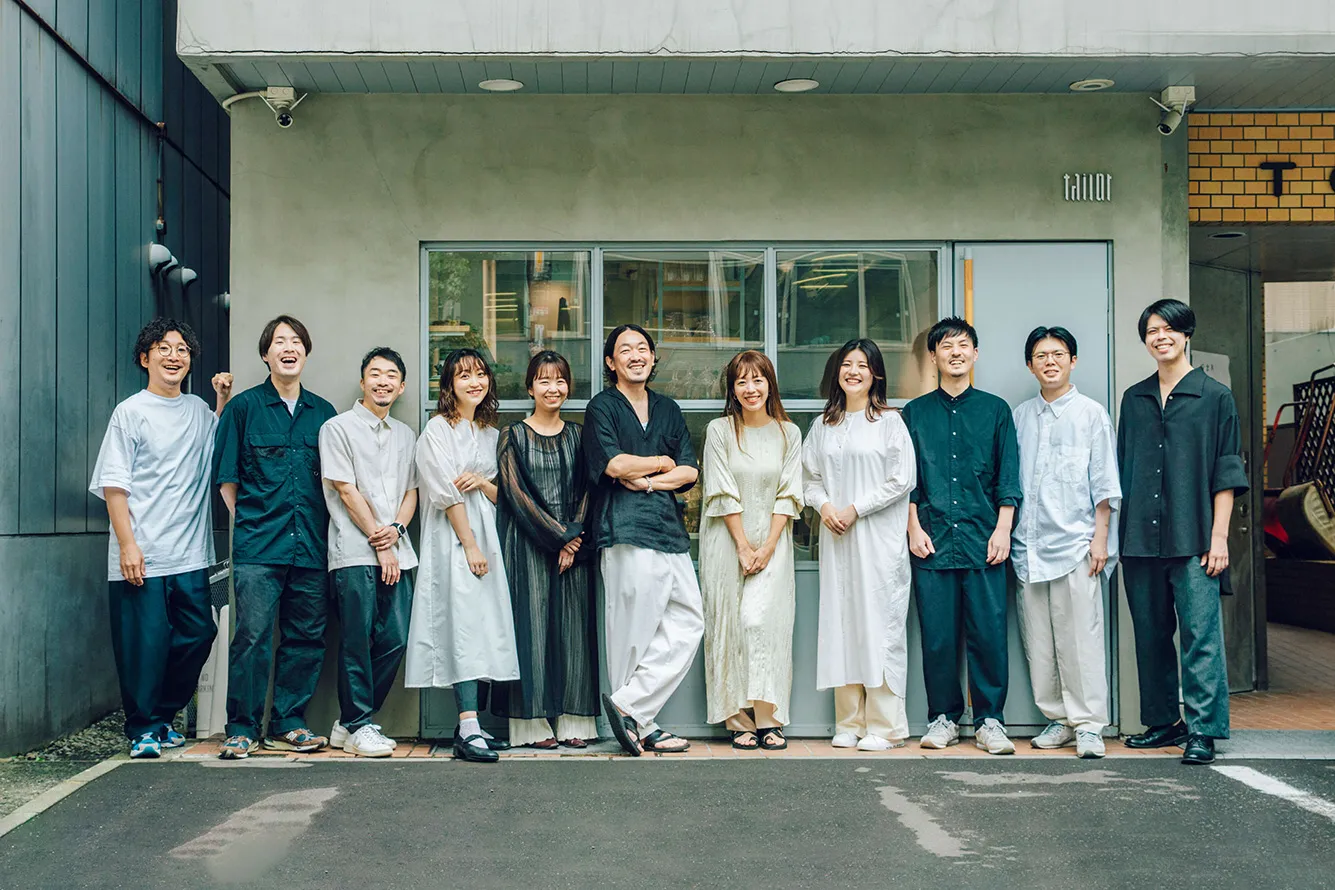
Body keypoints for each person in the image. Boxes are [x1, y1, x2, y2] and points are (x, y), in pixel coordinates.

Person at [89, 318, 232, 758]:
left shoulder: (198, 411)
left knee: (199, 634)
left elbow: (217, 447)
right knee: (143, 647)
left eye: (182, 349)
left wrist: (222, 399)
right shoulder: (131, 412)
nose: (174, 356)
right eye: (164, 348)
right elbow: (114, 485)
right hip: (142, 554)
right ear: (144, 358)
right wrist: (127, 545)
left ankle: (163, 715)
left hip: (190, 554)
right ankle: (143, 729)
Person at [1118, 299, 1248, 765]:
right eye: (1152, 330)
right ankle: (1162, 723)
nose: (1161, 337)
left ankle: (1203, 730)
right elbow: (1122, 467)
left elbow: (1226, 474)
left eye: (1169, 329)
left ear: (1186, 334)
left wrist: (1219, 538)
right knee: (1151, 635)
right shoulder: (1134, 399)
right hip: (1140, 539)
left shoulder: (1215, 397)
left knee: (1200, 636)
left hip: (1194, 537)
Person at [213, 315, 337, 760]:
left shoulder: (323, 413)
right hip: (259, 549)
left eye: (296, 341)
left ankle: (289, 722)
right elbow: (228, 482)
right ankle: (242, 728)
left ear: (306, 352)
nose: (289, 347)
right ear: (266, 354)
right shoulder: (243, 409)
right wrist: (255, 522)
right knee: (252, 637)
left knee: (307, 637)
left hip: (311, 546)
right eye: (279, 341)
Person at [903, 316, 1022, 755]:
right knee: (938, 637)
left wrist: (1003, 529)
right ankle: (944, 718)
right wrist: (913, 526)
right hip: (931, 541)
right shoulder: (915, 414)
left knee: (988, 634)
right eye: (946, 346)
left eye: (963, 345)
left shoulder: (996, 411)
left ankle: (990, 720)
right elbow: (907, 480)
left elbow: (1008, 475)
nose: (955, 353)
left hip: (984, 540)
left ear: (975, 354)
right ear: (933, 356)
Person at [583, 323, 703, 756]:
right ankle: (640, 725)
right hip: (625, 529)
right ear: (611, 362)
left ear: (653, 358)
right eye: (625, 350)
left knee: (690, 621)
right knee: (632, 633)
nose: (635, 356)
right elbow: (614, 465)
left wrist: (650, 480)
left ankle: (629, 708)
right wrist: (660, 462)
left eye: (642, 349)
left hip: (669, 530)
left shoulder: (667, 408)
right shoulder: (603, 407)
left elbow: (689, 471)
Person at [1012, 326, 1121, 760]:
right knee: (1039, 640)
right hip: (1028, 547)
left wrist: (1101, 540)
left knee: (1082, 639)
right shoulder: (1020, 417)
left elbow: (1105, 484)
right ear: (1030, 365)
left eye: (1058, 354)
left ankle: (1089, 724)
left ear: (1073, 361)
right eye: (1041, 356)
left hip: (1076, 546)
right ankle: (1058, 719)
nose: (1050, 362)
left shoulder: (1091, 415)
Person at [802, 339, 917, 751]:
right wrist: (825, 506)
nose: (853, 371)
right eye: (847, 364)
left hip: (878, 541)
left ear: (875, 374)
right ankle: (849, 721)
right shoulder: (824, 425)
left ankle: (885, 726)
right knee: (842, 623)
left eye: (863, 365)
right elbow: (809, 478)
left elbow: (902, 479)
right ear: (837, 372)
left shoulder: (890, 422)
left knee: (880, 626)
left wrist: (855, 508)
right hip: (837, 540)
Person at [407, 348, 520, 763]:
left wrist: (483, 484)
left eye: (480, 374)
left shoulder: (490, 433)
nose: (475, 382)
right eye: (464, 376)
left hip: (488, 536)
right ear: (449, 385)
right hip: (455, 538)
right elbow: (444, 492)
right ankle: (468, 726)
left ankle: (472, 727)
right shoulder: (437, 430)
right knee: (464, 627)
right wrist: (469, 544)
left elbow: (504, 495)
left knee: (486, 626)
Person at [492, 351, 600, 749]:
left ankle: (574, 723)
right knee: (532, 631)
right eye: (544, 380)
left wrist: (573, 537)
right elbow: (514, 494)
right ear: (530, 388)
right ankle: (533, 726)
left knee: (574, 632)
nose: (553, 388)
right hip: (527, 543)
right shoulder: (512, 435)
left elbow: (589, 489)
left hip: (574, 547)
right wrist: (558, 536)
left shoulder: (579, 435)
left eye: (560, 380)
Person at [700, 351, 803, 751]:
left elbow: (789, 492)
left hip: (774, 543)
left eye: (757, 379)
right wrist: (743, 546)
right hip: (726, 543)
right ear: (732, 389)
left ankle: (769, 718)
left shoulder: (789, 433)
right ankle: (737, 719)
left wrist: (768, 546)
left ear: (770, 384)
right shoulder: (720, 430)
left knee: (765, 626)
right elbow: (721, 488)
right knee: (729, 626)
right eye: (741, 381)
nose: (750, 388)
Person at [319, 347, 419, 758]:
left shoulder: (406, 434)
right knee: (356, 640)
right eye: (375, 374)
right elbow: (346, 491)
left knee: (396, 638)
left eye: (391, 375)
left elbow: (411, 493)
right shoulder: (336, 428)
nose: (383, 381)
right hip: (354, 553)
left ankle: (349, 723)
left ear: (402, 386)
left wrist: (396, 532)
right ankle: (360, 723)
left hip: (398, 550)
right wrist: (381, 542)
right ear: (363, 382)